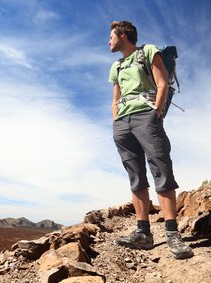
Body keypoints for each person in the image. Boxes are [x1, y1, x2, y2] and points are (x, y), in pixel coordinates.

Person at [108, 20, 193, 259]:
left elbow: (162, 82)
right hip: (123, 123)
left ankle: (172, 234)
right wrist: (116, 120)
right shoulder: (116, 66)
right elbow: (115, 97)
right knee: (135, 175)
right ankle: (143, 232)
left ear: (123, 35)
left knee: (160, 168)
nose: (108, 41)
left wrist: (156, 112)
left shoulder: (148, 51)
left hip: (146, 116)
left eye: (111, 36)